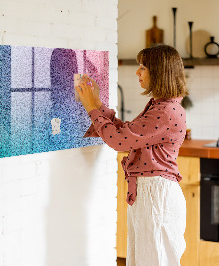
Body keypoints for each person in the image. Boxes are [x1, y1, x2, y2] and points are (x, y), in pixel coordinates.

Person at [76, 44, 188, 266]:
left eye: (143, 67)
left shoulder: (165, 111)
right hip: (151, 193)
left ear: (159, 72)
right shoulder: (161, 106)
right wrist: (98, 104)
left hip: (156, 195)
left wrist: (91, 108)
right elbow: (127, 133)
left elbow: (119, 141)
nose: (137, 72)